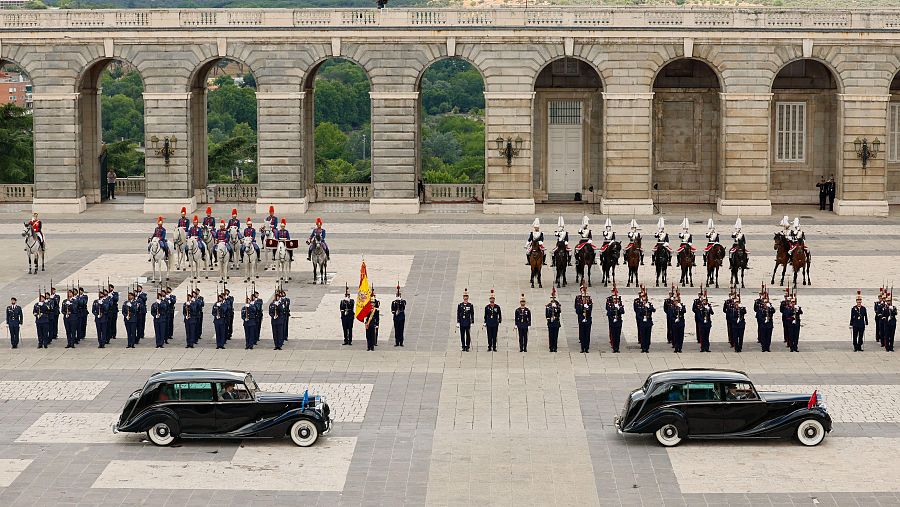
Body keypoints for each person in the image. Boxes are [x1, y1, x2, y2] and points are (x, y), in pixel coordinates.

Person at [575, 282, 592, 353]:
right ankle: (582, 348)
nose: (585, 298)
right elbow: (578, 311)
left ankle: (587, 348)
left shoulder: (589, 302)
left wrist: (587, 308)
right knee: (582, 334)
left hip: (587, 319)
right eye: (584, 297)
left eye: (586, 297)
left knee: (587, 334)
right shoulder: (579, 300)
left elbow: (590, 311)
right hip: (581, 319)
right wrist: (582, 307)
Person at [637, 289, 655, 353]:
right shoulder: (640, 306)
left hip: (648, 322)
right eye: (643, 300)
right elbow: (638, 314)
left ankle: (647, 348)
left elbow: (654, 310)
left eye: (645, 300)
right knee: (643, 335)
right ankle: (643, 348)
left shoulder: (649, 304)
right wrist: (642, 318)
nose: (644, 301)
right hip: (642, 322)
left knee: (648, 335)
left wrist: (649, 307)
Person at [607, 286, 624, 353]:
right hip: (612, 321)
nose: (615, 300)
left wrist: (619, 308)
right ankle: (614, 348)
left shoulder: (619, 304)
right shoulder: (610, 303)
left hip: (619, 322)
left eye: (616, 299)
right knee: (613, 335)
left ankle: (617, 348)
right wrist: (614, 308)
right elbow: (608, 312)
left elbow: (623, 312)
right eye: (614, 299)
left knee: (618, 336)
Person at [670, 289, 687, 353]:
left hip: (681, 322)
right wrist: (675, 319)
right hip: (675, 323)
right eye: (675, 301)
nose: (676, 302)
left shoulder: (682, 306)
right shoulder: (672, 307)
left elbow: (684, 311)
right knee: (675, 336)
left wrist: (681, 308)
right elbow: (671, 316)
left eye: (677, 301)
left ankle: (680, 348)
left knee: (681, 336)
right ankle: (676, 347)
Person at [546, 287, 562, 352]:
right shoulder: (548, 306)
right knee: (551, 335)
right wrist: (549, 319)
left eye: (554, 298)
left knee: (555, 336)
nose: (553, 299)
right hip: (550, 322)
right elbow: (547, 314)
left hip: (556, 322)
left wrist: (555, 308)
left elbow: (559, 311)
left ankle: (555, 347)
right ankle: (551, 347)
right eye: (552, 298)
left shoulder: (557, 305)